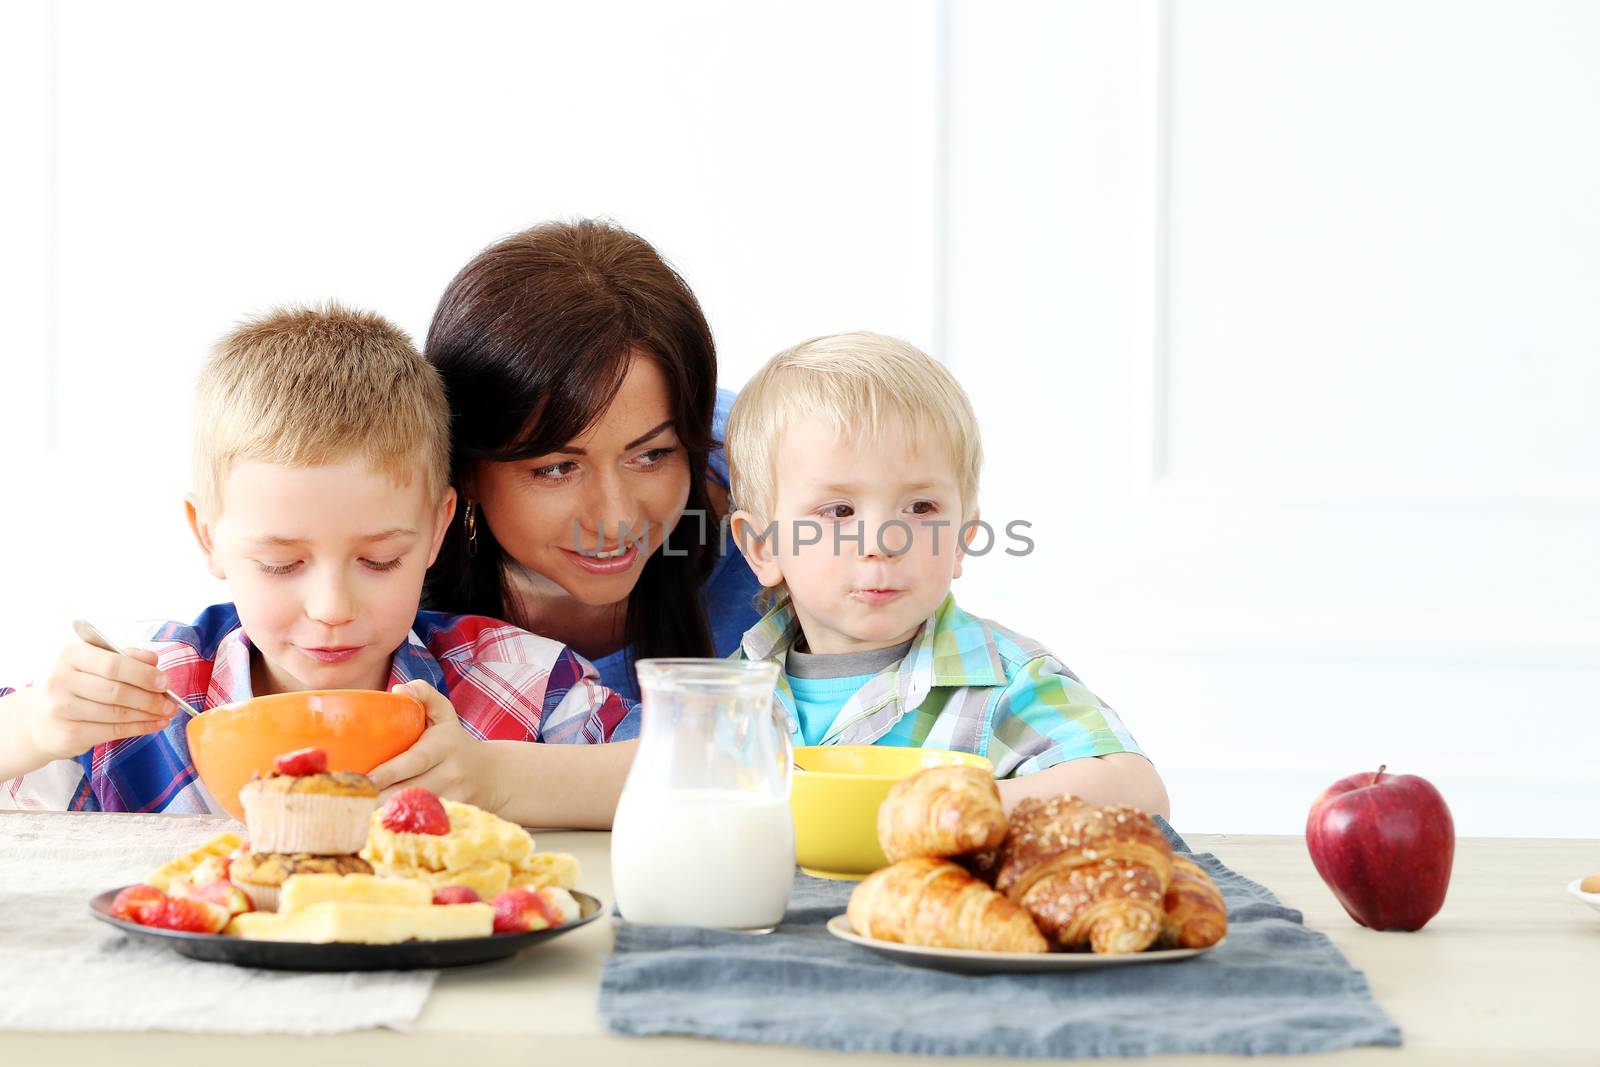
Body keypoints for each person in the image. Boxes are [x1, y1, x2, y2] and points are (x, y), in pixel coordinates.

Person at [0, 304, 637, 827]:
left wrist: (500, 778)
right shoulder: (147, 700)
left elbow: (704, 774)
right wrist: (31, 726)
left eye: (380, 559)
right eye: (281, 564)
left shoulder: (520, 685)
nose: (332, 607)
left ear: (439, 528)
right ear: (208, 536)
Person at [725, 331, 1170, 815]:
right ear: (763, 547)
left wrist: (960, 809)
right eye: (838, 510)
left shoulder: (1004, 682)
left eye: (920, 506)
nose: (882, 542)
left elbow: (1138, 794)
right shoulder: (730, 690)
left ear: (961, 536)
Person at [423, 219, 764, 705]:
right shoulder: (376, 546)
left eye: (652, 455)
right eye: (557, 468)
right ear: (465, 466)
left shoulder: (791, 482)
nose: (616, 521)